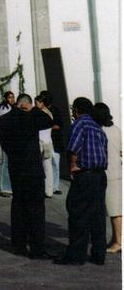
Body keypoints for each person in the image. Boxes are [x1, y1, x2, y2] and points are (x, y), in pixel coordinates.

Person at [53, 96, 108, 266]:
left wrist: (72, 166)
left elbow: (74, 147)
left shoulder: (80, 124)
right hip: (100, 175)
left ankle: (76, 255)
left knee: (78, 213)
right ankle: (99, 255)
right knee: (97, 215)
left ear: (76, 110)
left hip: (85, 175)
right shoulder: (98, 127)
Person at [0, 92, 53, 258]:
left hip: (16, 169)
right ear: (27, 105)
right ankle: (37, 247)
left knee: (18, 206)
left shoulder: (4, 119)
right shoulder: (32, 117)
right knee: (36, 209)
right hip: (33, 170)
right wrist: (35, 109)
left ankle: (19, 245)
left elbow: (4, 145)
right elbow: (49, 121)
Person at [93, 102, 121, 255]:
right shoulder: (117, 130)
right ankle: (115, 239)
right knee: (114, 210)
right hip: (117, 173)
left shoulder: (100, 130)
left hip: (108, 174)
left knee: (114, 210)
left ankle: (118, 242)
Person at [38, 91, 64, 195]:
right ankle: (47, 187)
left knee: (55, 165)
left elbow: (59, 125)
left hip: (55, 141)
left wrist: (48, 127)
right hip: (47, 141)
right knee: (46, 165)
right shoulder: (41, 111)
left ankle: (55, 187)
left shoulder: (55, 110)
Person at [0, 91, 15, 197]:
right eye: (9, 97)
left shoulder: (14, 108)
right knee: (5, 164)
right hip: (6, 141)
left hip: (13, 141)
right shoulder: (4, 109)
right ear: (5, 99)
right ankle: (5, 188)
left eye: (13, 97)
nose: (12, 99)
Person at [35, 96, 54, 198]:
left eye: (37, 102)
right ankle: (49, 190)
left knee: (40, 166)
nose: (35, 104)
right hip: (48, 142)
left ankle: (42, 189)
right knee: (48, 167)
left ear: (42, 103)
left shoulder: (41, 114)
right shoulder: (49, 114)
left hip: (41, 142)